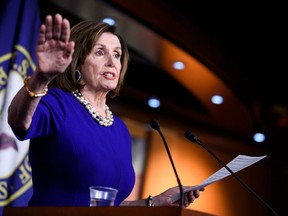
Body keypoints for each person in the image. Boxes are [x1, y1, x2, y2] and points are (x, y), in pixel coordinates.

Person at [8, 13, 204, 207]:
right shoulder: (57, 103)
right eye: (100, 52)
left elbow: (112, 207)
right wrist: (41, 78)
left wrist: (154, 201)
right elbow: (18, 121)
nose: (112, 61)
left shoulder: (119, 129)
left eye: (117, 54)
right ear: (77, 61)